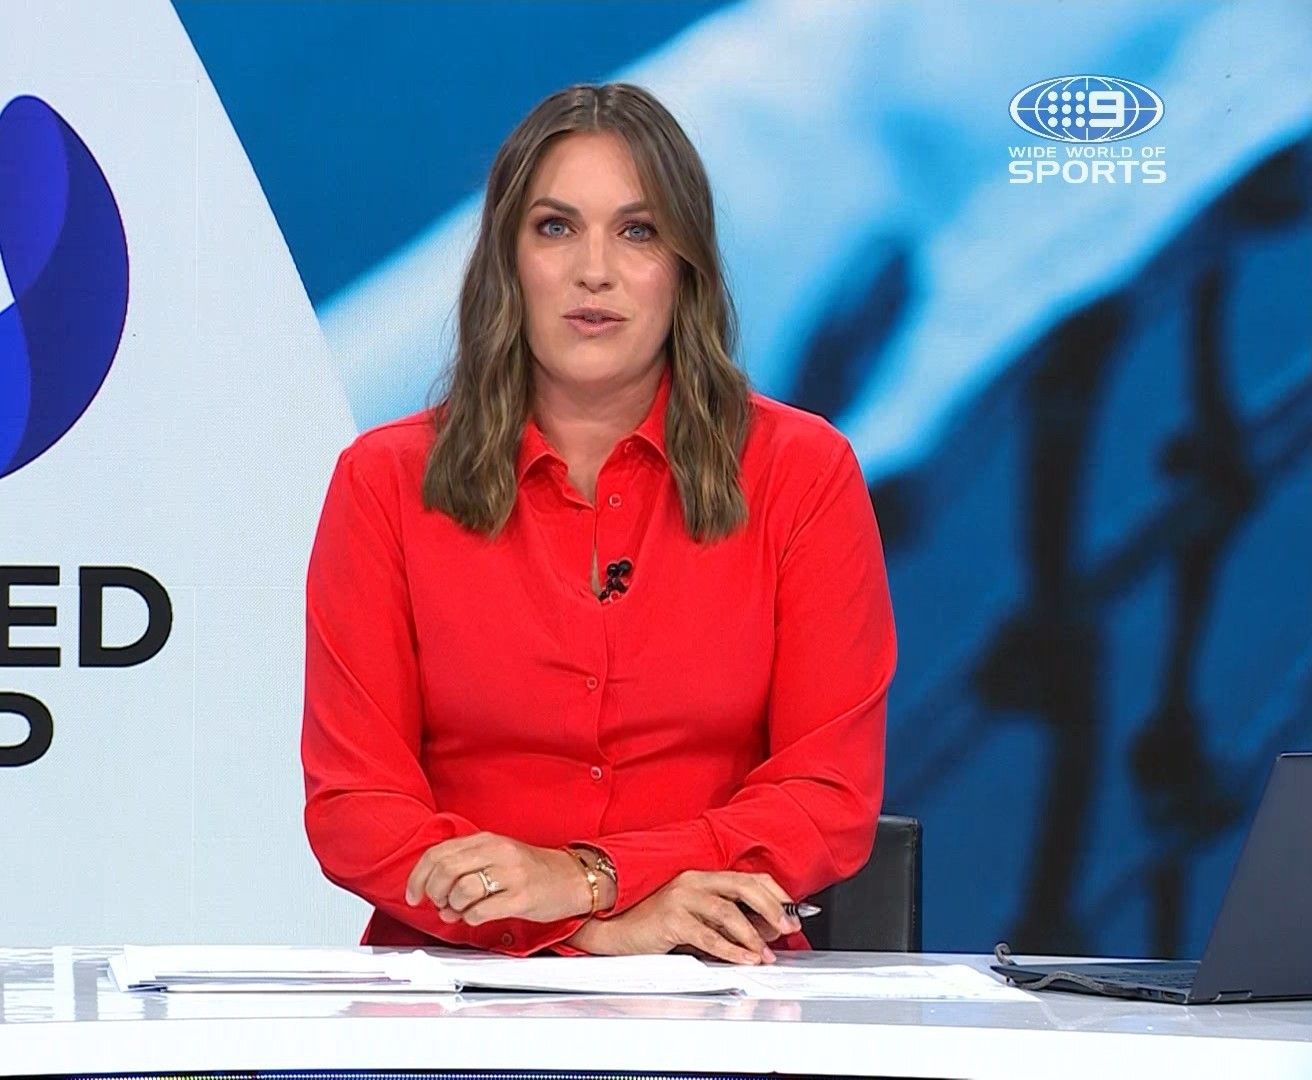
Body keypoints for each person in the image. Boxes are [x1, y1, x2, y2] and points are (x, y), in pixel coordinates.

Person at [299, 83, 897, 963]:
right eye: (555, 227)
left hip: (722, 986)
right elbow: (357, 808)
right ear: (506, 263)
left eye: (638, 231)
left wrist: (590, 877)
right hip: (458, 991)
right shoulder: (384, 484)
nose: (594, 271)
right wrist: (591, 925)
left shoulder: (802, 473)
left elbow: (826, 793)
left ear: (686, 267)